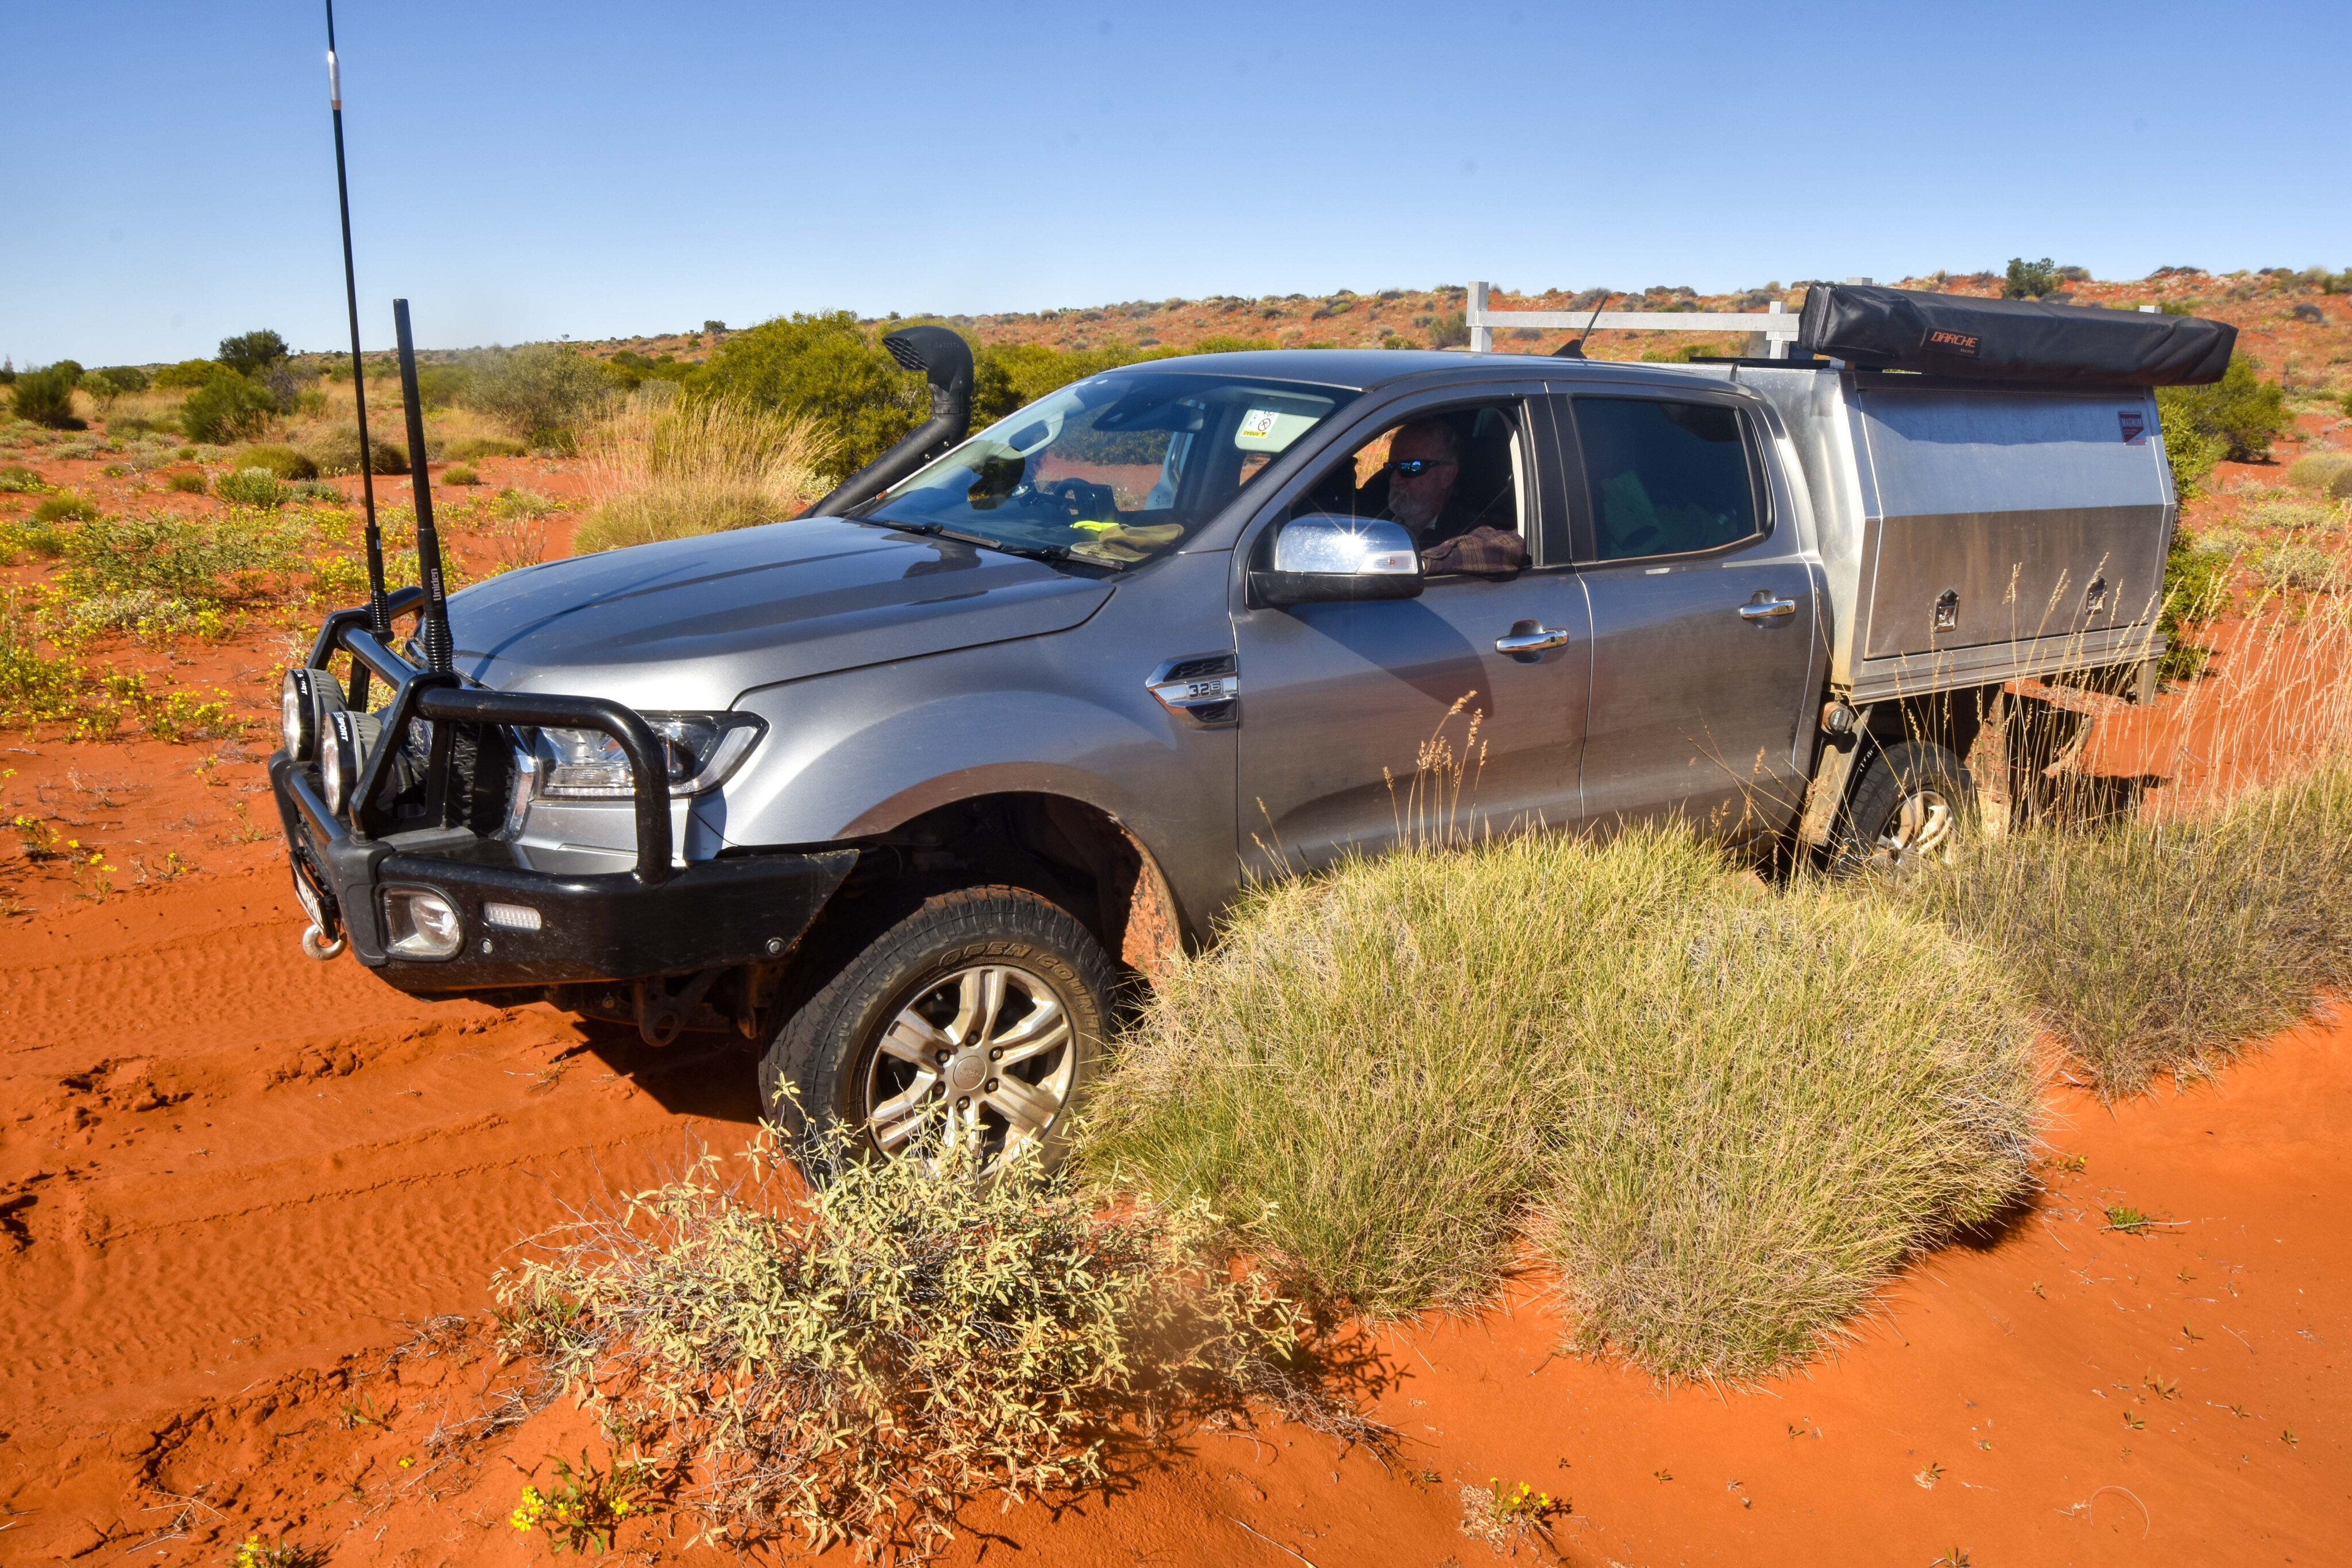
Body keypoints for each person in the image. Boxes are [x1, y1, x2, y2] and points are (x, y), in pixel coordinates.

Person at [1376, 417, 1526, 575]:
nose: (1395, 479)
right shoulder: (1376, 512)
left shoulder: (1465, 525)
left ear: (1447, 475)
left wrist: (1422, 563)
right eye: (1391, 467)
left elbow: (1509, 547)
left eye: (1412, 467)